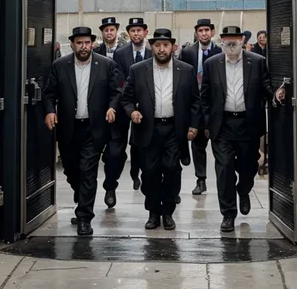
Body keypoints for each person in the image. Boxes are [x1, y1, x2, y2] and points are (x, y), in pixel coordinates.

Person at [201, 25, 285, 233]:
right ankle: (228, 214)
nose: (231, 42)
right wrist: (206, 124)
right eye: (227, 38)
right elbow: (205, 97)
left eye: (234, 38)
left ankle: (244, 190)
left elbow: (266, 89)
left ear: (242, 40)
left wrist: (275, 96)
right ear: (222, 41)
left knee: (248, 168)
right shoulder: (212, 64)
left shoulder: (257, 62)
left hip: (248, 125)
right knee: (225, 169)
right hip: (222, 126)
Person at [42, 26, 120, 236]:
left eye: (87, 43)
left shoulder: (106, 65)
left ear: (93, 43)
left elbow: (116, 92)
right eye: (79, 43)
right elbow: (49, 93)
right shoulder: (60, 66)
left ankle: (85, 218)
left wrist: (112, 106)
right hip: (69, 128)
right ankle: (81, 196)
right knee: (71, 170)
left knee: (88, 171)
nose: (84, 47)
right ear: (73, 44)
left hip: (94, 129)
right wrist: (50, 111)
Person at [121, 28, 199, 230]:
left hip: (174, 129)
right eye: (157, 45)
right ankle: (153, 211)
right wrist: (132, 113)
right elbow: (126, 98)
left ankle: (168, 212)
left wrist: (194, 125)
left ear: (173, 47)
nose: (162, 49)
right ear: (151, 46)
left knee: (172, 170)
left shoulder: (186, 70)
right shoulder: (138, 70)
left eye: (165, 45)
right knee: (150, 172)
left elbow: (194, 101)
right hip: (148, 128)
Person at [102, 17, 152, 208]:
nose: (136, 34)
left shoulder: (151, 52)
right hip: (123, 107)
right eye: (133, 31)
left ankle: (145, 182)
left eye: (139, 30)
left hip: (147, 109)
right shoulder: (121, 54)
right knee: (115, 151)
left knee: (144, 148)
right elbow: (119, 82)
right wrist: (126, 106)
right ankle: (110, 187)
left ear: (145, 32)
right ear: (128, 33)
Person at [179, 18, 222, 195]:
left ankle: (223, 178)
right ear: (196, 33)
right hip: (195, 104)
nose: (204, 33)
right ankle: (201, 179)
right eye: (200, 30)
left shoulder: (220, 52)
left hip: (214, 104)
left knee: (219, 143)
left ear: (212, 32)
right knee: (198, 145)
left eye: (207, 30)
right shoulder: (188, 52)